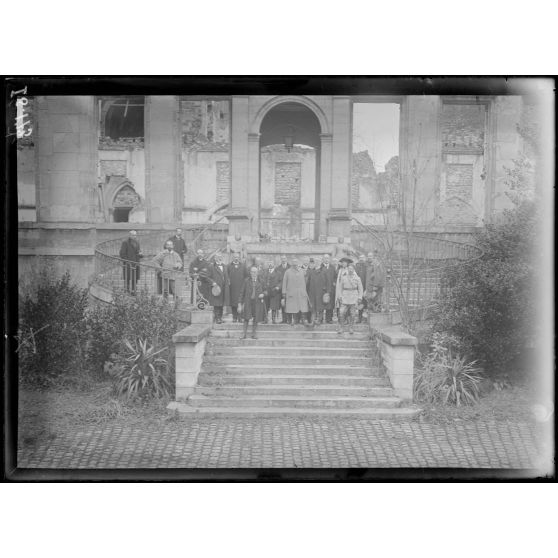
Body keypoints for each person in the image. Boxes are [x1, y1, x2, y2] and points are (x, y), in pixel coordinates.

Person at [238, 266, 267, 339]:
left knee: (256, 318)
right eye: (252, 272)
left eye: (255, 272)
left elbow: (266, 291)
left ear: (257, 273)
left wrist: (263, 294)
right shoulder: (246, 281)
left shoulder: (261, 281)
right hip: (248, 302)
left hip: (257, 302)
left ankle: (253, 334)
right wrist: (239, 304)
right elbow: (242, 293)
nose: (253, 273)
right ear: (250, 273)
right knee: (246, 317)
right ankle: (243, 334)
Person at [336, 263, 363, 335]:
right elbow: (340, 288)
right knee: (341, 313)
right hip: (345, 297)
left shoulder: (357, 278)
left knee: (353, 314)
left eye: (352, 269)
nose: (350, 270)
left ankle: (351, 327)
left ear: (354, 269)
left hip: (354, 297)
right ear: (347, 269)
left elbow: (360, 289)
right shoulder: (343, 277)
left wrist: (360, 297)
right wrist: (340, 296)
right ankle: (341, 327)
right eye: (349, 269)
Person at [282, 258, 309, 326]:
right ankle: (294, 320)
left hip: (301, 293)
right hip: (291, 293)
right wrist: (284, 292)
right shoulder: (287, 272)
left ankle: (303, 320)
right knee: (293, 308)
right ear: (291, 264)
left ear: (298, 263)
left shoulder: (302, 271)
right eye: (293, 263)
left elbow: (306, 282)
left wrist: (305, 291)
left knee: (302, 307)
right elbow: (284, 282)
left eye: (296, 263)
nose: (295, 264)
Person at [119, 229, 142, 294]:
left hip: (136, 263)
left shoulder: (137, 242)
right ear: (130, 235)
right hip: (128, 264)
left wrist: (140, 254)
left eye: (135, 235)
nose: (134, 236)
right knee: (128, 278)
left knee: (135, 278)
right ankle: (127, 290)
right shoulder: (125, 242)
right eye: (133, 235)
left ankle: (134, 291)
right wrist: (127, 261)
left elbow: (139, 252)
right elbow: (122, 254)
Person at [209, 253, 230, 324]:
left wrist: (228, 281)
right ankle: (217, 318)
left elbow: (226, 275)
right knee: (217, 303)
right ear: (215, 258)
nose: (220, 258)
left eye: (221, 257)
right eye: (218, 257)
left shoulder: (224, 266)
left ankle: (220, 317)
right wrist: (213, 282)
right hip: (216, 287)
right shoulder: (212, 266)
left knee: (221, 303)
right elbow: (208, 277)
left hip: (224, 287)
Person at [227, 252, 248, 322]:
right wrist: (228, 281)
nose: (236, 258)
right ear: (233, 257)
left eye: (237, 257)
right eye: (235, 257)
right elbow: (226, 276)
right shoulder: (229, 266)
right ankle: (234, 317)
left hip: (241, 287)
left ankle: (240, 317)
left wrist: (245, 284)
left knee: (240, 301)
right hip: (232, 287)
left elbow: (246, 276)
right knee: (233, 302)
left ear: (239, 258)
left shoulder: (243, 266)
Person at [307, 256, 327, 325]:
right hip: (312, 293)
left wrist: (326, 292)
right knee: (313, 308)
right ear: (314, 263)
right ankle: (312, 321)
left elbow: (327, 282)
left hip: (321, 292)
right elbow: (308, 282)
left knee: (320, 307)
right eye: (316, 261)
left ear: (321, 262)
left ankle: (319, 320)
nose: (317, 262)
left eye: (318, 261)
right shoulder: (311, 271)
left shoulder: (324, 270)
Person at [270, 255, 289, 323]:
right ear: (281, 260)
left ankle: (287, 319)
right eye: (282, 259)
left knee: (287, 304)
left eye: (284, 258)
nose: (283, 260)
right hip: (279, 290)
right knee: (281, 304)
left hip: (288, 288)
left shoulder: (290, 267)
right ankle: (283, 319)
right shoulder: (278, 268)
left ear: (286, 259)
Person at [321, 254, 336, 324]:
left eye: (327, 258)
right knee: (321, 304)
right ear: (323, 259)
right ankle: (320, 319)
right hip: (321, 289)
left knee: (330, 305)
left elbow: (335, 277)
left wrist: (334, 283)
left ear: (329, 259)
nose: (326, 259)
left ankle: (329, 319)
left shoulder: (332, 267)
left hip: (331, 289)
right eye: (325, 258)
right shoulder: (320, 267)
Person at [355, 254, 368, 323]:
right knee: (360, 304)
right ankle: (359, 318)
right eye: (360, 258)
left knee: (366, 304)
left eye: (362, 258)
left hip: (366, 288)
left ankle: (365, 319)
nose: (361, 259)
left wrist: (367, 289)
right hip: (358, 289)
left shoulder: (367, 266)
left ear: (365, 258)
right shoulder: (356, 267)